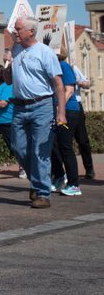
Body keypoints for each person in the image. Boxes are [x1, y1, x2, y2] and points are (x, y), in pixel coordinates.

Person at [8, 17, 66, 209]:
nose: (14, 32)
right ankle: (37, 180)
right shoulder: (15, 50)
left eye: (18, 29)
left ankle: (42, 193)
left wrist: (61, 113)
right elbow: (8, 80)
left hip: (42, 105)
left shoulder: (45, 52)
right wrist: (8, 63)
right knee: (17, 146)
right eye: (14, 29)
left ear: (31, 31)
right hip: (19, 106)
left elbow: (58, 84)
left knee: (40, 151)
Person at [49, 51, 82, 196]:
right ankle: (59, 176)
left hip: (68, 110)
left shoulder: (63, 65)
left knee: (65, 147)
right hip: (56, 110)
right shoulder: (51, 66)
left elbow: (69, 90)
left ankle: (74, 184)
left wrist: (59, 108)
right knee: (53, 145)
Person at [70, 63, 95, 179]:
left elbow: (87, 84)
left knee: (82, 139)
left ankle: (89, 169)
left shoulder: (72, 68)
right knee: (63, 142)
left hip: (76, 105)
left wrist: (77, 82)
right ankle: (62, 172)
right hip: (60, 106)